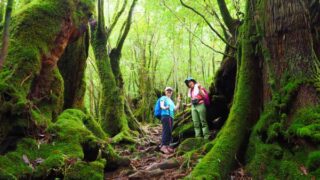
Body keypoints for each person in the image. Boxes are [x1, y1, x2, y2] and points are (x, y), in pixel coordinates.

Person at [159, 87, 181, 154]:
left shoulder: (171, 101)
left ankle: (167, 146)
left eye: (170, 91)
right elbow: (161, 105)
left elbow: (175, 109)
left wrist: (178, 102)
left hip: (171, 117)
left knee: (169, 131)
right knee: (166, 131)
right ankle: (163, 146)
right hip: (165, 116)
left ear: (172, 92)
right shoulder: (163, 98)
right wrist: (165, 107)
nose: (169, 92)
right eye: (168, 90)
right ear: (165, 92)